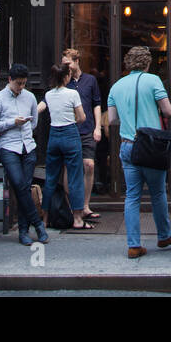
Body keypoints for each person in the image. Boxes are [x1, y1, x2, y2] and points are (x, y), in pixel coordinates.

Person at [106, 45, 171, 258]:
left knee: (132, 195)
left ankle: (133, 245)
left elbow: (112, 119)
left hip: (128, 145)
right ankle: (164, 235)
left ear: (128, 63)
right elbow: (168, 110)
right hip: (150, 144)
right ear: (148, 63)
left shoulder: (116, 86)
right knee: (158, 192)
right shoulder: (153, 81)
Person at [0, 63, 47, 246]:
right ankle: (37, 224)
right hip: (8, 147)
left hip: (27, 146)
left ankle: (23, 231)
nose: (21, 87)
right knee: (20, 185)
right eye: (18, 83)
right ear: (10, 80)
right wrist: (12, 123)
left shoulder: (29, 97)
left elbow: (34, 123)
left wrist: (25, 124)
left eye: (24, 84)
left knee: (24, 188)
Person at [42, 62, 94, 232]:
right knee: (75, 177)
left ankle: (45, 219)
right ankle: (78, 219)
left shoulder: (49, 95)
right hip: (70, 134)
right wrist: (74, 120)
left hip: (54, 135)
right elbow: (82, 117)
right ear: (66, 77)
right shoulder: (73, 93)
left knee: (50, 177)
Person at [62, 48, 104, 221]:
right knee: (69, 167)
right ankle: (72, 206)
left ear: (77, 61)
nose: (66, 66)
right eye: (64, 64)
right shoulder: (64, 81)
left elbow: (96, 103)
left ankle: (85, 205)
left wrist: (98, 127)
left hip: (87, 128)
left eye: (68, 63)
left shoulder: (90, 80)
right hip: (69, 128)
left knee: (89, 165)